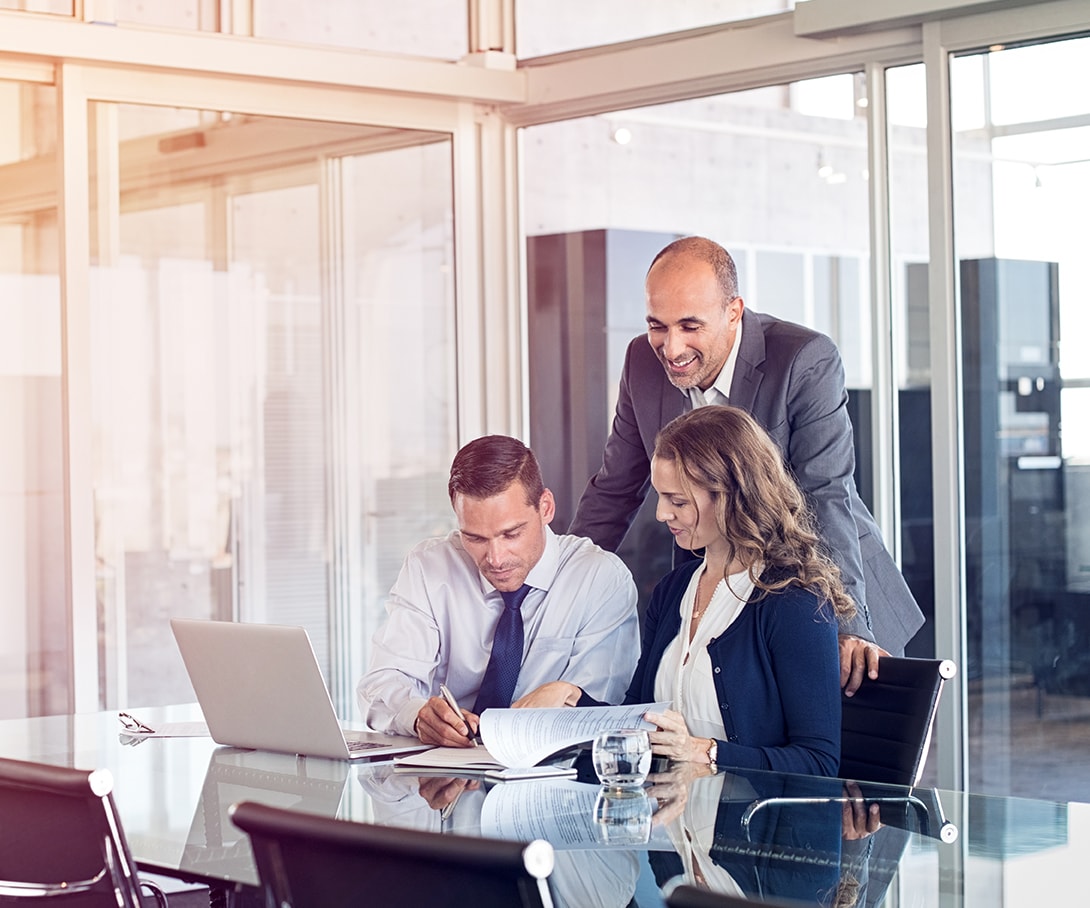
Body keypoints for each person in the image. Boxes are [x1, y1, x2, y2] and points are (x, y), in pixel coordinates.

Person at [569, 235, 924, 693]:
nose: (671, 349)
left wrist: (847, 622)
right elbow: (615, 488)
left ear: (733, 312)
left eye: (690, 326)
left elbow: (826, 494)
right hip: (720, 592)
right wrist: (563, 583)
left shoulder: (804, 359)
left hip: (822, 585)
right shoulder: (641, 360)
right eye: (658, 325)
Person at [535, 405, 853, 775]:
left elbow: (818, 763)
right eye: (661, 496)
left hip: (748, 813)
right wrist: (572, 698)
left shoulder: (794, 602)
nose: (661, 514)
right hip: (668, 809)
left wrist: (704, 751)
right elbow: (637, 718)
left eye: (679, 501)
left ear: (731, 495)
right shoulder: (673, 590)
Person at [357, 434, 639, 747]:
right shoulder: (430, 567)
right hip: (448, 766)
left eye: (511, 534)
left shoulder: (599, 579)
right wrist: (417, 715)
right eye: (475, 538)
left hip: (550, 765)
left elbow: (600, 709)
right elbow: (382, 684)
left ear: (545, 508)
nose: (495, 559)